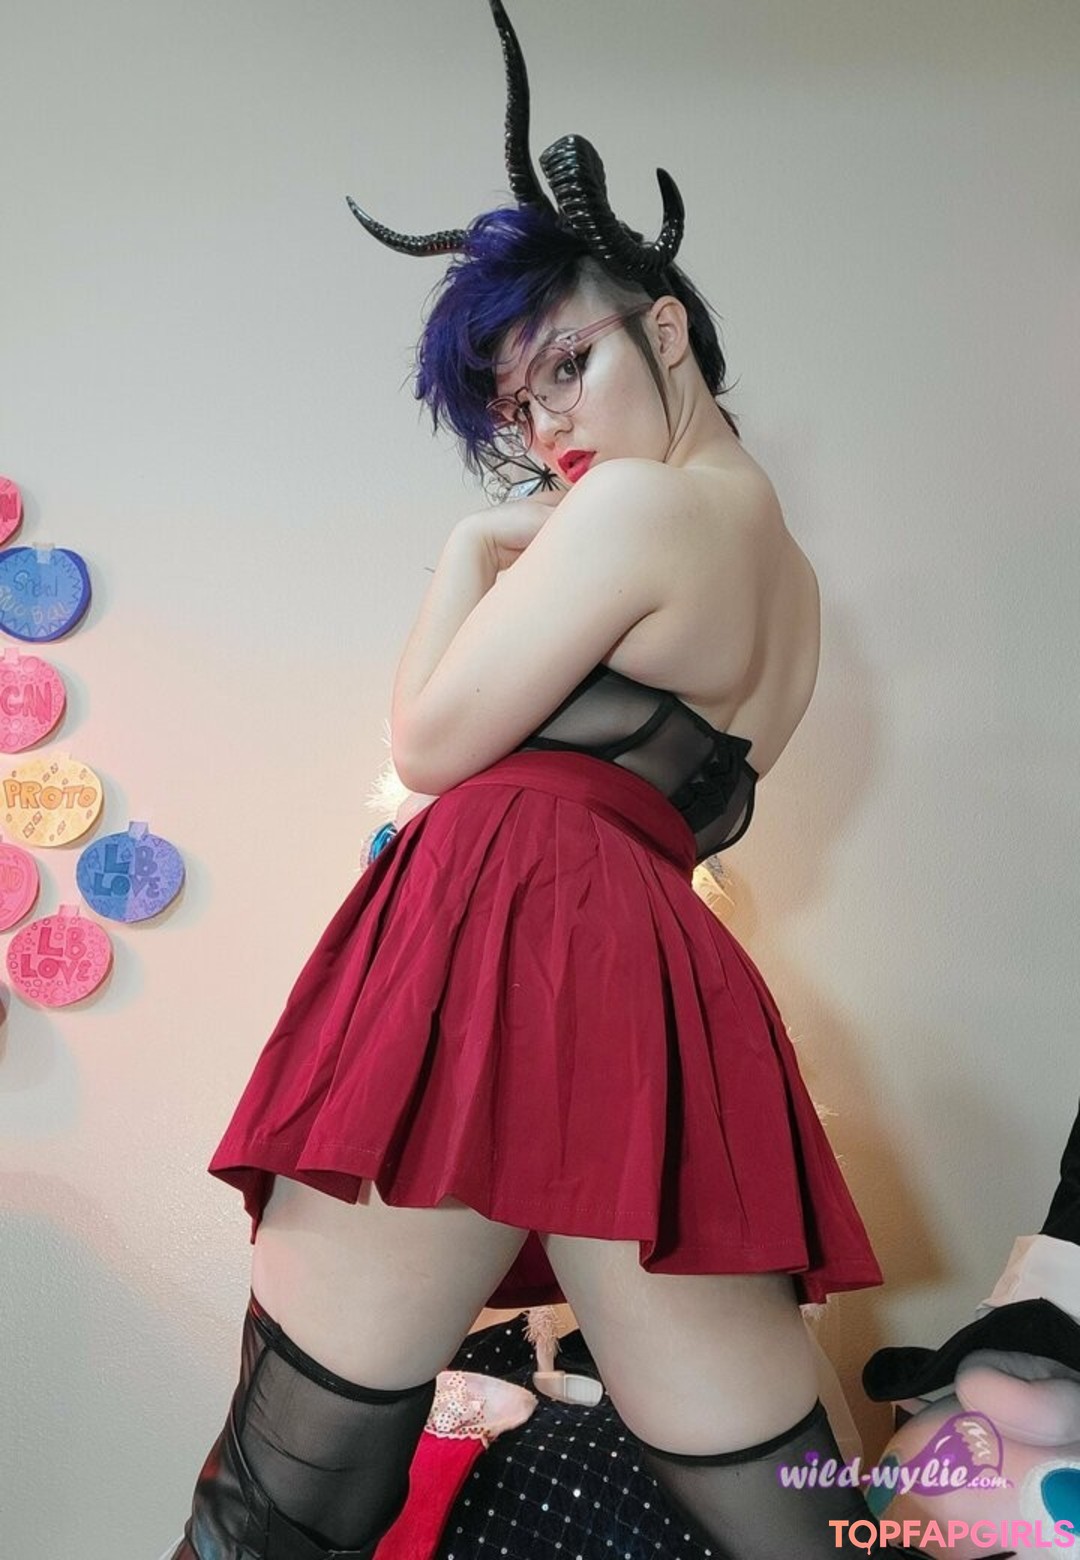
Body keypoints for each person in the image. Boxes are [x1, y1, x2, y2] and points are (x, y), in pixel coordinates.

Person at [166, 6, 975, 1558]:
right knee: (788, 1516)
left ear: (666, 328)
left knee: (280, 1495)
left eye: (569, 366)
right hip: (658, 976)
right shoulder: (795, 595)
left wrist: (471, 545)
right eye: (517, 409)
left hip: (503, 933)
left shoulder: (637, 515)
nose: (545, 431)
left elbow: (430, 744)